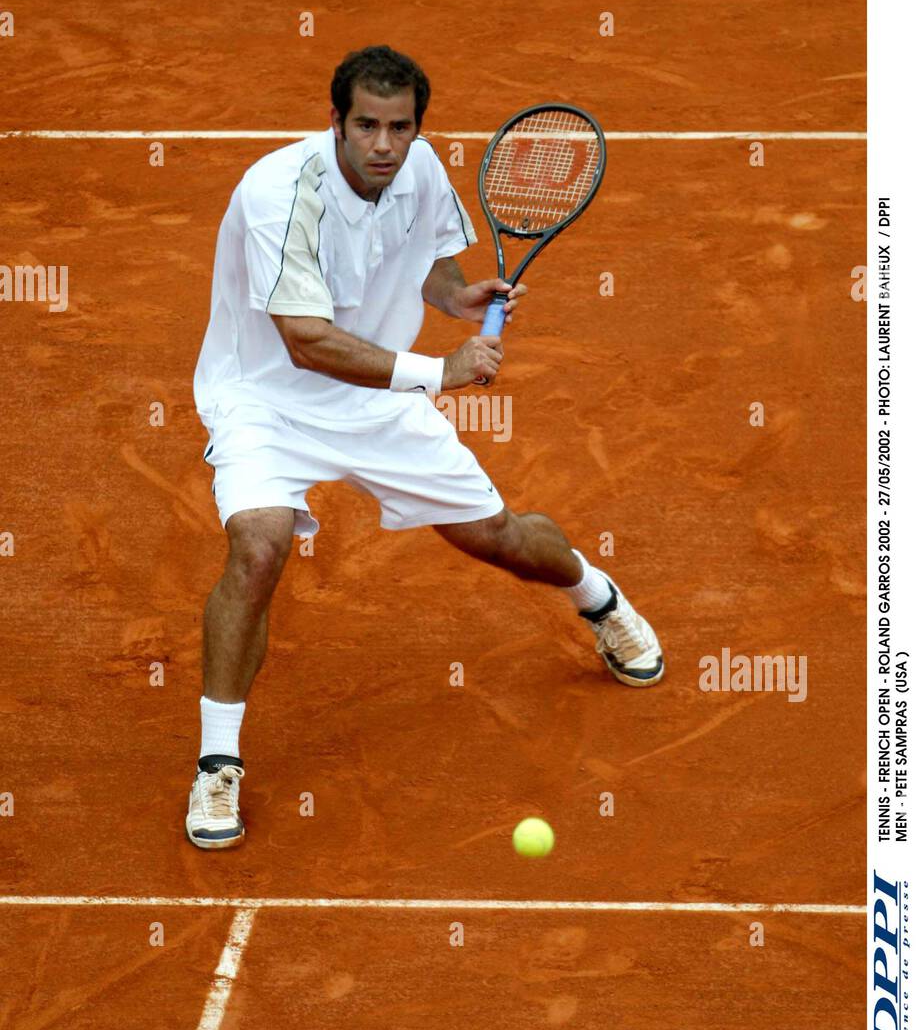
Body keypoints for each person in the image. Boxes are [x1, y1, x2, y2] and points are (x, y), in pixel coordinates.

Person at [187, 45, 664, 849]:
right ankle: (217, 766)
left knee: (498, 537)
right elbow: (304, 340)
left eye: (399, 127)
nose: (382, 144)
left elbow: (431, 267)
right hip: (265, 401)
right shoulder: (277, 194)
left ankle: (599, 597)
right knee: (258, 548)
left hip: (382, 405)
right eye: (365, 125)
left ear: (417, 127)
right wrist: (438, 368)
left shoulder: (421, 170)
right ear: (334, 120)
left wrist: (457, 294)